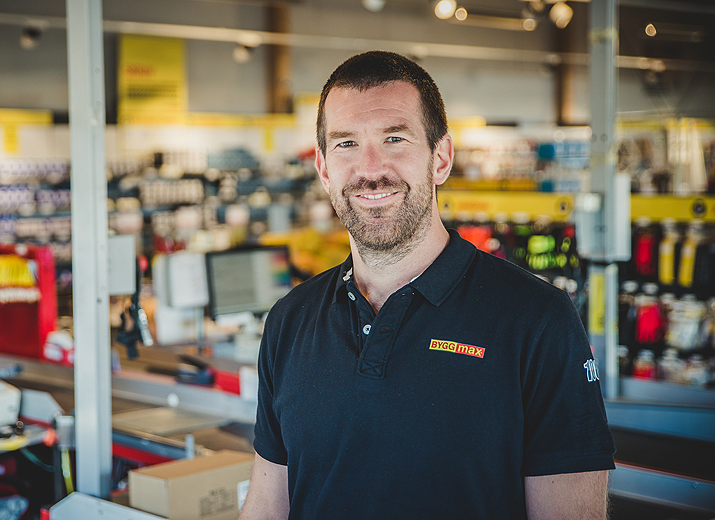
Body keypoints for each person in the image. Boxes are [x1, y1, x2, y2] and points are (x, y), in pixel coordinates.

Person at [239, 51, 615, 520]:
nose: (370, 168)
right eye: (346, 143)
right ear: (324, 168)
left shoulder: (537, 319)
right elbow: (267, 505)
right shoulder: (290, 320)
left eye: (394, 138)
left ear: (441, 159)